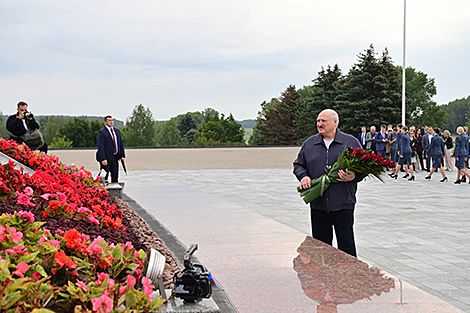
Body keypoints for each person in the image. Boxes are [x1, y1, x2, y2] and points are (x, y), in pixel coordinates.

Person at [293, 109, 363, 257]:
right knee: (320, 248)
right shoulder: (310, 144)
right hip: (318, 204)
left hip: (343, 202)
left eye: (323, 121)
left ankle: (350, 278)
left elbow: (364, 167)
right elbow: (298, 165)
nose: (319, 124)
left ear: (335, 122)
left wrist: (354, 176)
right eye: (318, 121)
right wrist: (303, 176)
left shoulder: (350, 142)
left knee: (346, 245)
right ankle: (323, 279)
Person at [96, 115, 126, 183]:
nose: (111, 122)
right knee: (104, 176)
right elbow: (100, 146)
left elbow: (120, 144)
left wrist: (122, 155)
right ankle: (102, 190)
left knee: (115, 175)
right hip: (106, 158)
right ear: (105, 122)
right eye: (109, 120)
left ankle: (115, 191)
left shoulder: (117, 131)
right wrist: (103, 158)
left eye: (112, 120)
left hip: (115, 157)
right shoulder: (102, 132)